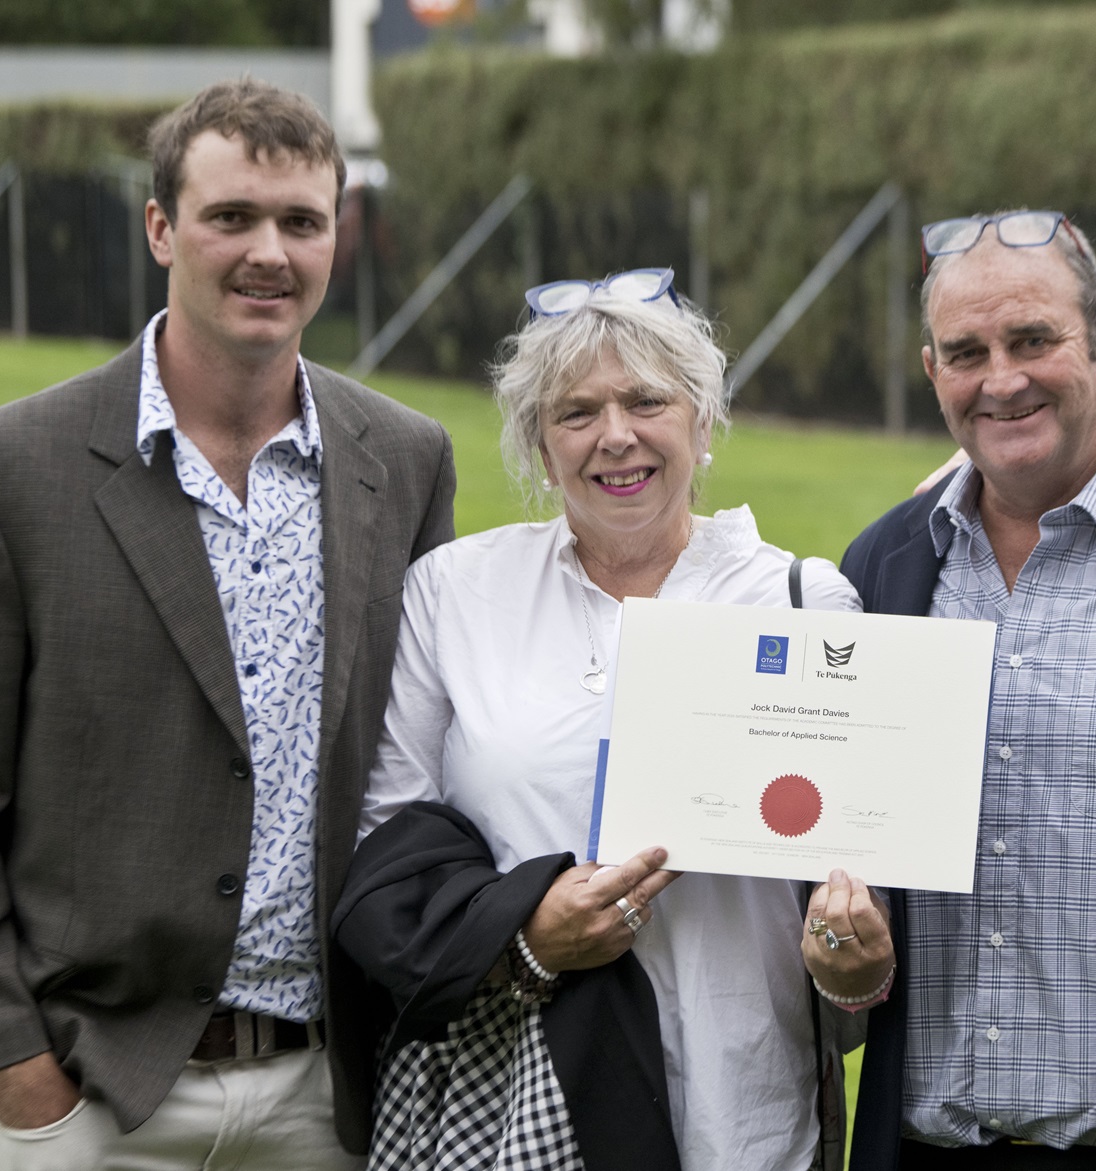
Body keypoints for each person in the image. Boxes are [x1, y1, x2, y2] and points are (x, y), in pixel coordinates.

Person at [0, 79, 455, 1168]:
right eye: (231, 216)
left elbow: (423, 762)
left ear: (337, 236)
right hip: (86, 1097)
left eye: (300, 221)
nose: (268, 251)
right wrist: (17, 1072)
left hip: (329, 1091)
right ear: (161, 228)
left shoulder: (406, 460)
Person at [335, 270, 870, 1171]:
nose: (614, 435)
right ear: (540, 448)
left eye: (647, 400)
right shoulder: (456, 594)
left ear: (702, 423)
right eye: (575, 412)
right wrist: (523, 935)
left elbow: (855, 878)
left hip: (743, 1110)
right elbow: (390, 847)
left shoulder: (802, 602)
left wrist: (852, 959)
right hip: (521, 1099)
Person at [839, 211, 1096, 1169]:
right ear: (932, 370)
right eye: (967, 351)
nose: (1002, 378)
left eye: (1033, 339)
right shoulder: (885, 566)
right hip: (927, 1141)